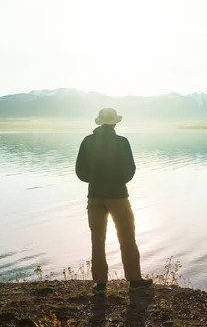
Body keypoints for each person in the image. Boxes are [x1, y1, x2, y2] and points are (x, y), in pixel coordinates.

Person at [75, 108, 153, 295]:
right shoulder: (122, 142)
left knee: (97, 239)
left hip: (94, 196)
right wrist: (118, 181)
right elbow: (130, 169)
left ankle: (100, 284)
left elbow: (80, 171)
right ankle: (134, 280)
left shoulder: (87, 141)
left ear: (100, 122)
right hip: (118, 195)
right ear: (115, 123)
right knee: (126, 236)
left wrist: (95, 180)